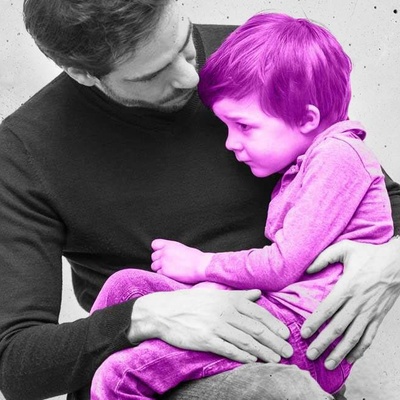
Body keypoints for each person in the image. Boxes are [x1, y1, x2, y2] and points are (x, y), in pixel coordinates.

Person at [0, 0, 399, 399]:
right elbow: (15, 365)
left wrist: (389, 264)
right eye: (153, 74)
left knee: (282, 388)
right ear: (82, 73)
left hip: (278, 350)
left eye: (185, 43)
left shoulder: (251, 62)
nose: (192, 78)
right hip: (164, 366)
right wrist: (148, 317)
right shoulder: (25, 150)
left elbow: (376, 193)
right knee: (125, 294)